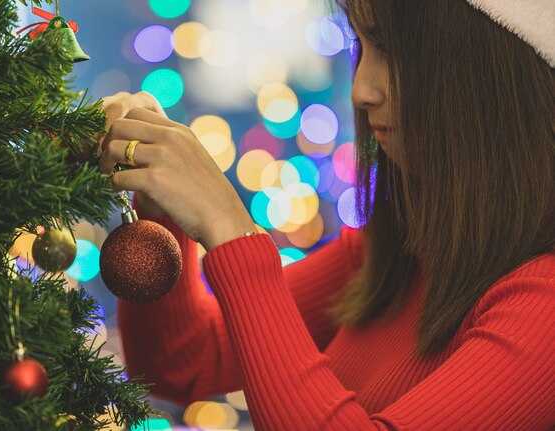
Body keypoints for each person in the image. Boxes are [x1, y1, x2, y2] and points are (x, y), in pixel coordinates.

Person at [97, 0, 554, 429]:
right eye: (361, 48)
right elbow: (183, 363)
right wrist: (160, 201)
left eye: (393, 52)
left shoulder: (544, 308)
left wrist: (231, 232)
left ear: (489, 72)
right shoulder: (402, 250)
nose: (360, 91)